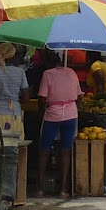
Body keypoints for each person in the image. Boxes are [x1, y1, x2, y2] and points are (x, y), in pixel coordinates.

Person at [35, 51, 82, 195]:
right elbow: (79, 97)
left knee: (44, 150)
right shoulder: (72, 72)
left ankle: (39, 188)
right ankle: (63, 189)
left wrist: (42, 112)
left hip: (52, 116)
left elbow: (42, 99)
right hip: (70, 115)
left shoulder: (47, 74)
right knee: (65, 150)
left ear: (47, 63)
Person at [0, 43, 28, 135]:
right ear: (14, 55)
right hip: (14, 114)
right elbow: (25, 98)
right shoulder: (20, 72)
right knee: (14, 145)